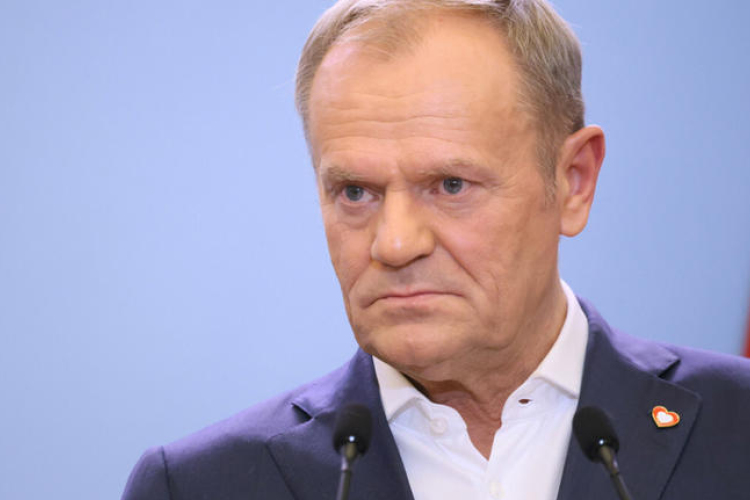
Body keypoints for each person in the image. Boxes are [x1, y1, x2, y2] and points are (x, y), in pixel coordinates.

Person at [122, 1, 750, 499]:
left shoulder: (736, 426)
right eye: (355, 192)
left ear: (573, 182)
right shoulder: (201, 486)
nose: (395, 244)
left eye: (450, 185)